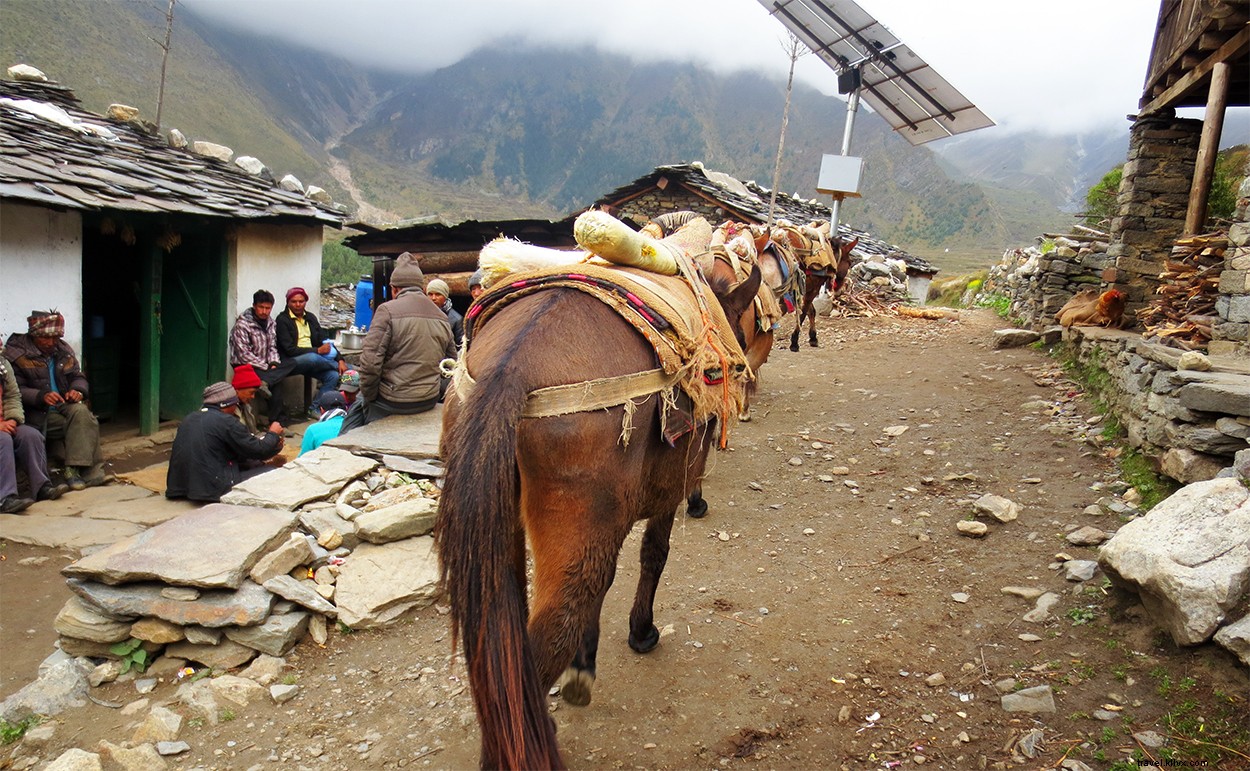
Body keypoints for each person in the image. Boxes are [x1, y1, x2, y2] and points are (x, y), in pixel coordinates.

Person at [339, 252, 455, 434]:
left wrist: (369, 397)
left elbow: (370, 363)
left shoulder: (387, 310)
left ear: (394, 289)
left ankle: (341, 453)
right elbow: (450, 364)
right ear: (421, 288)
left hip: (392, 401)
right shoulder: (441, 316)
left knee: (352, 419)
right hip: (429, 399)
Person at [4, 311, 105, 491]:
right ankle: (86, 471)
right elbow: (15, 390)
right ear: (34, 334)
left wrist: (78, 390)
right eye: (45, 338)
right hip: (36, 413)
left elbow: (77, 376)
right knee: (86, 422)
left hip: (62, 407)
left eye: (55, 338)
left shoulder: (63, 350)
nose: (51, 343)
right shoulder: (17, 354)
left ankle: (74, 469)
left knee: (82, 413)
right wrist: (41, 396)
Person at [165, 382, 284, 503]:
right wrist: (273, 434)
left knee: (252, 463)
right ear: (229, 404)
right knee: (272, 471)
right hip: (212, 489)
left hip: (180, 487)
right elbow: (260, 450)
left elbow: (237, 450)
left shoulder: (189, 418)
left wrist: (273, 446)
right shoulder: (226, 421)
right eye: (235, 403)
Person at [2, 347, 65, 513]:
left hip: (6, 421)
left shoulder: (3, 364)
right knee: (3, 440)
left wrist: (13, 420)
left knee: (31, 435)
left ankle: (42, 487)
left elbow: (12, 396)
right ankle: (5, 498)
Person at [228, 289, 293, 424]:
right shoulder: (243, 324)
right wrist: (267, 368)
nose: (264, 311)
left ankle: (267, 381)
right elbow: (244, 354)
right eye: (261, 307)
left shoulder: (271, 323)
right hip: (245, 365)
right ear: (254, 306)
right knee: (277, 381)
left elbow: (272, 347)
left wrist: (274, 362)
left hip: (265, 365)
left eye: (268, 308)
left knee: (292, 363)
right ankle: (278, 421)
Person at [275, 287, 344, 405]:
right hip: (292, 362)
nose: (297, 305)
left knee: (333, 376)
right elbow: (289, 350)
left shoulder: (310, 318)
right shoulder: (282, 320)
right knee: (312, 357)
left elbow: (325, 341)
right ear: (288, 302)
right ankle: (348, 370)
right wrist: (317, 350)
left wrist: (340, 359)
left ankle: (315, 407)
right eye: (293, 302)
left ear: (305, 302)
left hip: (315, 361)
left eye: (301, 301)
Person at [299, 391, 348, 456]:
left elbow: (303, 458)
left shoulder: (312, 430)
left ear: (322, 410)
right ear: (346, 408)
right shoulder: (356, 426)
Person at [425, 278, 464, 348]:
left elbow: (460, 346)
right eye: (430, 294)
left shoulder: (456, 319)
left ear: (445, 296)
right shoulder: (421, 314)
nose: (433, 298)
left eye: (438, 294)